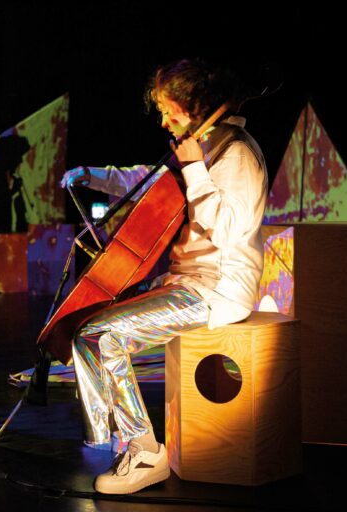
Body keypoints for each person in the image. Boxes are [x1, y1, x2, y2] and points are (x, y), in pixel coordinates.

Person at [60, 58, 267, 494]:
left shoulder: (237, 153)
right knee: (91, 322)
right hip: (184, 283)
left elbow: (227, 229)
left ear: (198, 107)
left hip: (218, 289)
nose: (164, 121)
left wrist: (194, 169)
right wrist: (91, 175)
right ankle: (120, 441)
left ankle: (145, 452)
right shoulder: (202, 147)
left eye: (172, 111)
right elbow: (146, 179)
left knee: (103, 335)